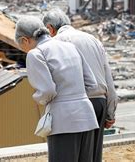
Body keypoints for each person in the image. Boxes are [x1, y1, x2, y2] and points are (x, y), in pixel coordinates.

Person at [15, 16, 99, 162]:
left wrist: (39, 99)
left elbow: (47, 91)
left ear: (25, 40)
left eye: (22, 46)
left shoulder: (36, 54)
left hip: (63, 120)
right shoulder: (70, 47)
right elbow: (92, 84)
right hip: (87, 116)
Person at [43, 9, 118, 162]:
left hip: (76, 106)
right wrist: (110, 112)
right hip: (99, 103)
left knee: (69, 155)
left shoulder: (55, 43)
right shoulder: (92, 39)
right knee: (93, 157)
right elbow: (107, 77)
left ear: (50, 28)